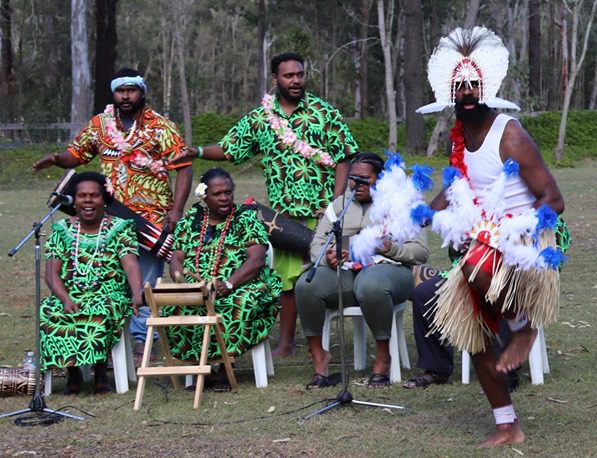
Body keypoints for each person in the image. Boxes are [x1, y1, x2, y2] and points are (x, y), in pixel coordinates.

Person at [416, 27, 565, 447]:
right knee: (473, 336)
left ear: (486, 88)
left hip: (524, 249)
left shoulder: (509, 133)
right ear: (450, 92)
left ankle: (522, 327)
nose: (466, 92)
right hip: (483, 249)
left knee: (476, 261)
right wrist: (428, 211)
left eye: (472, 85)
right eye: (458, 86)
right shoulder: (460, 139)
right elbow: (461, 187)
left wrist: (504, 233)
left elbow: (553, 198)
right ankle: (506, 424)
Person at [171, 52, 359, 357]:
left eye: (299, 74)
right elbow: (232, 148)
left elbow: (344, 156)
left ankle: (323, 343)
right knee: (287, 283)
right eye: (288, 76)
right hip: (282, 219)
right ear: (275, 78)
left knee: (325, 275)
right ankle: (285, 343)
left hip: (322, 214)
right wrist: (198, 150)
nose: (296, 80)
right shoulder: (261, 118)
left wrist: (335, 203)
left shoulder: (324, 113)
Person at [32, 68, 192, 361]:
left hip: (151, 217)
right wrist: (57, 159)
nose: (126, 96)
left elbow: (183, 166)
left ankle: (144, 344)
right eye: (121, 91)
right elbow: (77, 154)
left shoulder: (162, 127)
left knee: (144, 280)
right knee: (113, 278)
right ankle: (106, 341)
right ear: (113, 94)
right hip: (111, 218)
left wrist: (177, 210)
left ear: (142, 92)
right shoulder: (99, 125)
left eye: (132, 90)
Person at [295, 153, 429, 388]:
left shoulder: (401, 203)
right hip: (346, 272)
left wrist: (390, 248)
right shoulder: (339, 205)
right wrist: (329, 256)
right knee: (307, 284)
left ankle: (383, 356)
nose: (357, 184)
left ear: (381, 179)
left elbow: (420, 252)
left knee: (370, 283)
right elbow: (317, 244)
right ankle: (319, 356)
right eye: (353, 178)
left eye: (365, 179)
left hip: (390, 272)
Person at [167, 168, 282, 388]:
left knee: (236, 304)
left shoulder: (245, 218)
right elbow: (176, 258)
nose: (224, 198)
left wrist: (229, 283)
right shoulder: (191, 221)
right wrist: (180, 278)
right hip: (199, 288)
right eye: (217, 194)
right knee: (178, 306)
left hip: (243, 283)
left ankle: (223, 367)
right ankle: (201, 366)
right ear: (204, 195)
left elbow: (256, 260)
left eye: (228, 192)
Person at [40, 172, 142, 395]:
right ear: (73, 200)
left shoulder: (120, 228)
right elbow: (51, 274)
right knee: (49, 310)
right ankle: (73, 372)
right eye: (82, 196)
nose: (88, 200)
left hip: (109, 295)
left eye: (94, 196)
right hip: (69, 294)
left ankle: (100, 372)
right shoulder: (61, 231)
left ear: (104, 200)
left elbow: (131, 265)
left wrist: (137, 293)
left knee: (98, 311)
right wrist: (65, 299)